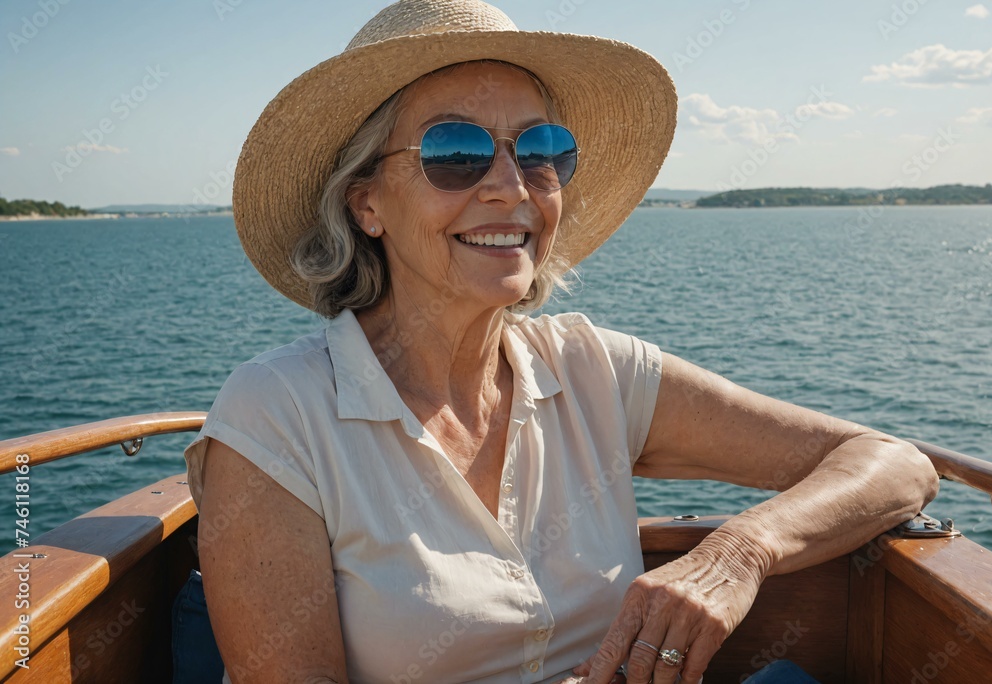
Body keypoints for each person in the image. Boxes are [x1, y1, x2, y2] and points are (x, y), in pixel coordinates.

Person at [181, 1, 939, 682]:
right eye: (454, 152)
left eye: (540, 149)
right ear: (367, 203)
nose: (511, 186)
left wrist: (739, 553)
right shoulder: (278, 414)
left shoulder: (594, 372)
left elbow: (894, 466)